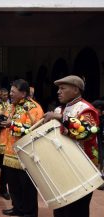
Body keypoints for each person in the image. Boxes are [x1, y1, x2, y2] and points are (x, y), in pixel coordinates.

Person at [44, 75, 100, 217]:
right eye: (58, 89)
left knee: (76, 211)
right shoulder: (60, 109)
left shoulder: (86, 109)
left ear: (76, 90)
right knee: (61, 209)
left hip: (81, 169)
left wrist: (60, 118)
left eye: (63, 88)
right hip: (63, 167)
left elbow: (86, 132)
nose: (58, 91)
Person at [0, 79, 43, 217]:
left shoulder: (33, 107)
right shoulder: (13, 106)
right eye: (10, 91)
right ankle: (17, 208)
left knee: (27, 187)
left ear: (23, 93)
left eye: (13, 91)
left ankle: (29, 213)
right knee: (13, 185)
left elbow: (33, 130)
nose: (10, 93)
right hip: (11, 151)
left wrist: (11, 125)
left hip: (26, 153)